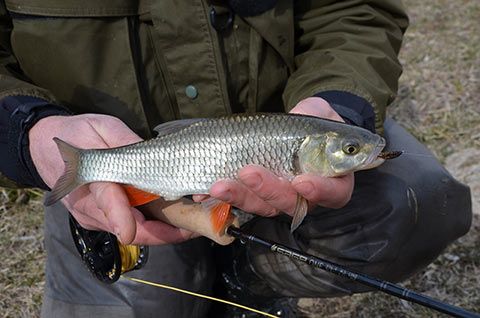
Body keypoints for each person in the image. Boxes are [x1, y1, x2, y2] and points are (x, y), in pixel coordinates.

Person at [0, 1, 471, 317]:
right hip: (110, 156)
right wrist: (26, 132)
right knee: (143, 303)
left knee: (418, 202)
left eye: (348, 150)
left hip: (284, 111)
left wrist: (338, 106)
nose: (358, 154)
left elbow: (355, 12)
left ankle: (247, 277)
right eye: (350, 149)